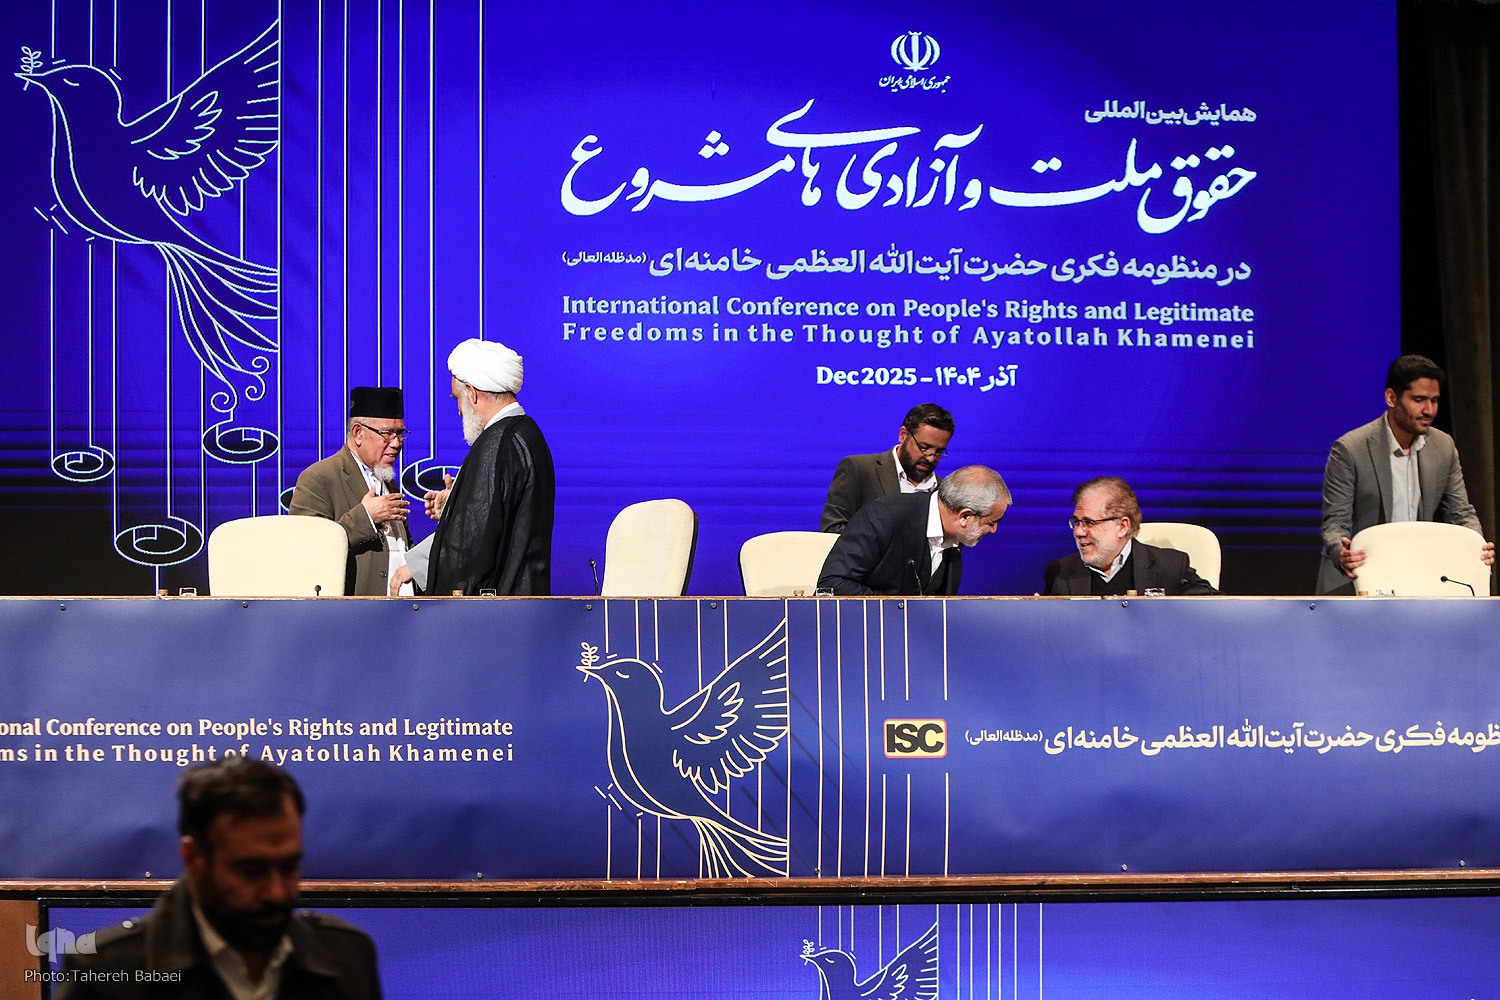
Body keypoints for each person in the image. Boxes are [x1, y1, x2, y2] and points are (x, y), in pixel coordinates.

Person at [56, 757, 381, 999]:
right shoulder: (105, 975)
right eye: (251, 871)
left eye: (289, 867)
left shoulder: (347, 960)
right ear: (193, 857)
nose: (276, 892)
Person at [1317, 354, 1495, 595]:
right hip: (1358, 580)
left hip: (1417, 579)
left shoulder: (1443, 446)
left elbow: (1461, 512)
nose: (1429, 410)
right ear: (1391, 398)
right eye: (1419, 400)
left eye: (1434, 400)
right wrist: (1342, 552)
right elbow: (1335, 523)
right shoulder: (1350, 449)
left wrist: (1476, 546)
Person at [400, 338, 554, 596]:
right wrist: (457, 504)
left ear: (472, 393)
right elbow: (502, 514)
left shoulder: (496, 443)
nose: (459, 411)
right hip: (524, 603)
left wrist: (416, 570)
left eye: (457, 398)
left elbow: (472, 543)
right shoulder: (528, 433)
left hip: (495, 611)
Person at [289, 387, 412, 596]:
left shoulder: (387, 481)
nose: (396, 443)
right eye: (387, 434)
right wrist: (366, 517)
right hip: (354, 608)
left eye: (400, 433)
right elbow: (307, 549)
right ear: (358, 433)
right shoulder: (320, 478)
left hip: (401, 608)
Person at [817, 465, 1009, 596]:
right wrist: (899, 612)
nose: (994, 530)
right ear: (964, 516)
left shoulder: (956, 536)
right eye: (991, 522)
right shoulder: (884, 516)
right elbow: (832, 583)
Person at [1044, 476, 1217, 596]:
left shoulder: (1170, 567)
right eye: (1077, 522)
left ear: (1122, 526)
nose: (1078, 532)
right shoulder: (1060, 573)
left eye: (1089, 523)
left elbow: (1215, 610)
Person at [820, 403, 955, 533]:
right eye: (924, 447)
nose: (931, 458)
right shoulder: (859, 469)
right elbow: (833, 528)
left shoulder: (944, 491)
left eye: (939, 452)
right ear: (903, 435)